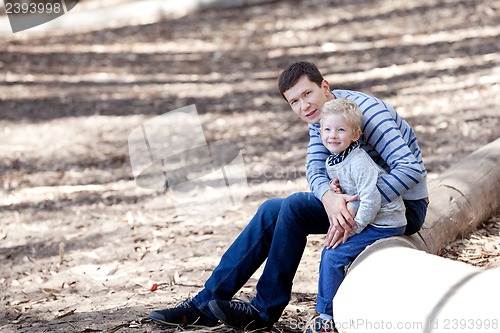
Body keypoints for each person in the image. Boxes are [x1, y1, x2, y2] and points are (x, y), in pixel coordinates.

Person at [148, 61, 429, 331]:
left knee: (294, 206)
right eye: (294, 101)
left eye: (307, 94)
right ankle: (205, 306)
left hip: (403, 207)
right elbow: (315, 170)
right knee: (272, 210)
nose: (303, 105)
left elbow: (410, 168)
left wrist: (355, 207)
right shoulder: (323, 118)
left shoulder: (366, 113)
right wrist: (330, 198)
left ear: (325, 86)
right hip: (357, 202)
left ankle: (263, 310)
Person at [303, 98, 408, 333]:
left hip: (385, 221)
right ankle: (328, 308)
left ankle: (327, 318)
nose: (332, 135)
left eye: (341, 130)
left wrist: (354, 228)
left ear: (355, 134)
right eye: (327, 129)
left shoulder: (359, 161)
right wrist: (337, 189)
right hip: (369, 217)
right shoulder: (335, 157)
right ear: (320, 132)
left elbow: (371, 199)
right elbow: (354, 190)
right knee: (330, 250)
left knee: (333, 254)